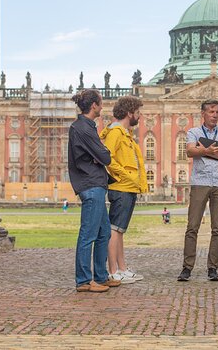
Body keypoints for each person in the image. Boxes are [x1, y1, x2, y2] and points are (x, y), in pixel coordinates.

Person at [68, 89, 121, 293]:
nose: (102, 106)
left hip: (97, 183)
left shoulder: (87, 126)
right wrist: (100, 154)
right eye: (100, 103)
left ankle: (100, 277)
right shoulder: (82, 128)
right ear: (93, 106)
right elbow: (105, 156)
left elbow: (100, 155)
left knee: (104, 233)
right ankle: (83, 280)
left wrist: (98, 155)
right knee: (88, 234)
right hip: (90, 185)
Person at [178, 99, 218, 282]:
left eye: (217, 112)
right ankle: (187, 267)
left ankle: (213, 268)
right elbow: (189, 151)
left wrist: (204, 150)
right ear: (203, 113)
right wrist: (213, 151)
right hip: (200, 181)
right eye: (211, 111)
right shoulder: (193, 132)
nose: (215, 115)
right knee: (192, 226)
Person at [99, 95, 148, 285]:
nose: (139, 117)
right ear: (129, 113)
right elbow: (107, 157)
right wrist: (123, 176)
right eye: (137, 113)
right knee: (114, 230)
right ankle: (113, 271)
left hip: (128, 187)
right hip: (121, 187)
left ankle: (122, 268)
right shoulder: (116, 133)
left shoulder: (124, 134)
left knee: (119, 230)